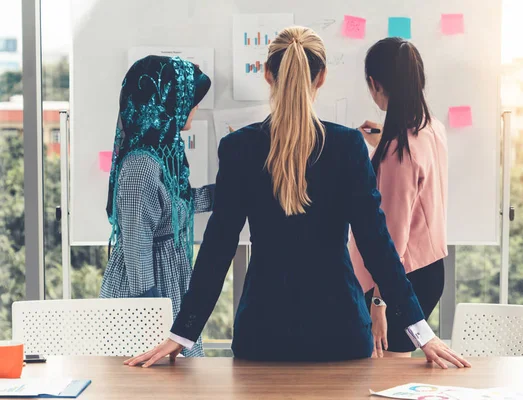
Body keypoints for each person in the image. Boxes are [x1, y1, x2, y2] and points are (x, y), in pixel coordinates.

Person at [125, 27, 469, 368]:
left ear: (267, 74)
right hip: (340, 332)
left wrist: (182, 333)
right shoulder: (348, 146)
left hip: (263, 332)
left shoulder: (238, 148)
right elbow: (377, 244)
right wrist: (422, 332)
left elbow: (218, 246)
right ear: (321, 77)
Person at [100, 55, 213, 357]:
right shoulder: (141, 168)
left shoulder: (161, 156)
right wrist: (151, 319)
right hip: (148, 291)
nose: (195, 107)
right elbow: (137, 248)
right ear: (167, 103)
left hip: (166, 284)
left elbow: (175, 208)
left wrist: (229, 192)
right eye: (190, 99)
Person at [349, 38, 449, 358]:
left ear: (374, 84)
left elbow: (391, 236)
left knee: (386, 377)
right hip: (428, 269)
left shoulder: (397, 152)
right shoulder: (432, 128)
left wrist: (380, 302)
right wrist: (381, 142)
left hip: (398, 281)